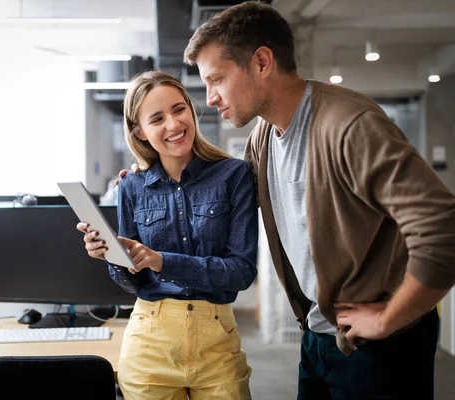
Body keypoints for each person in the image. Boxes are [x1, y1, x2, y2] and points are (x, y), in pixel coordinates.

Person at [180, 1, 455, 399]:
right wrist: (150, 170)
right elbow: (222, 195)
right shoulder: (263, 138)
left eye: (217, 79)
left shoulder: (350, 125)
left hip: (379, 345)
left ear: (261, 62)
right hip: (320, 333)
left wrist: (388, 319)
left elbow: (443, 228)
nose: (211, 98)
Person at [77, 70, 258, 400]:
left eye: (179, 109)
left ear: (191, 109)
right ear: (140, 132)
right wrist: (114, 258)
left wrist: (161, 261)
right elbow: (135, 282)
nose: (174, 125)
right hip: (150, 340)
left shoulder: (235, 175)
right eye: (157, 118)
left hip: (217, 342)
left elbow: (241, 272)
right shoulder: (131, 186)